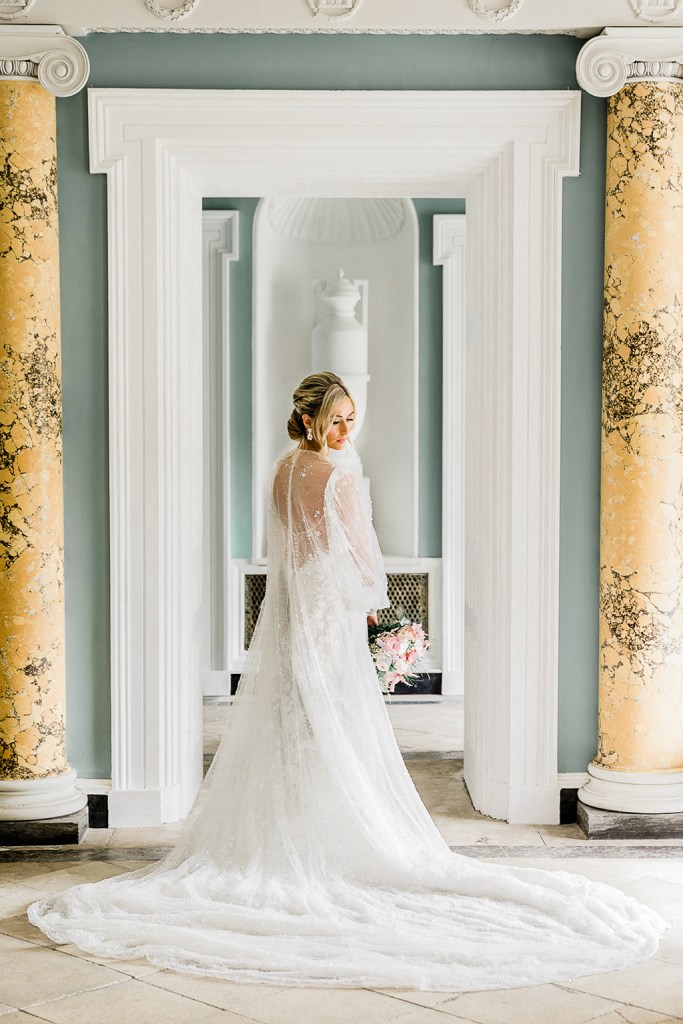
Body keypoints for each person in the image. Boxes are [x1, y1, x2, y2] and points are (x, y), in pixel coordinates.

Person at [28, 371, 665, 991]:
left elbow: (285, 548)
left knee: (296, 717)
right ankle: (331, 832)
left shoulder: (280, 470)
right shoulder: (339, 475)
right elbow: (361, 550)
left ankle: (293, 826)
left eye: (350, 419)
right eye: (335, 419)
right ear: (310, 418)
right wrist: (373, 600)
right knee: (334, 717)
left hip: (289, 609)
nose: (344, 429)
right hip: (327, 606)